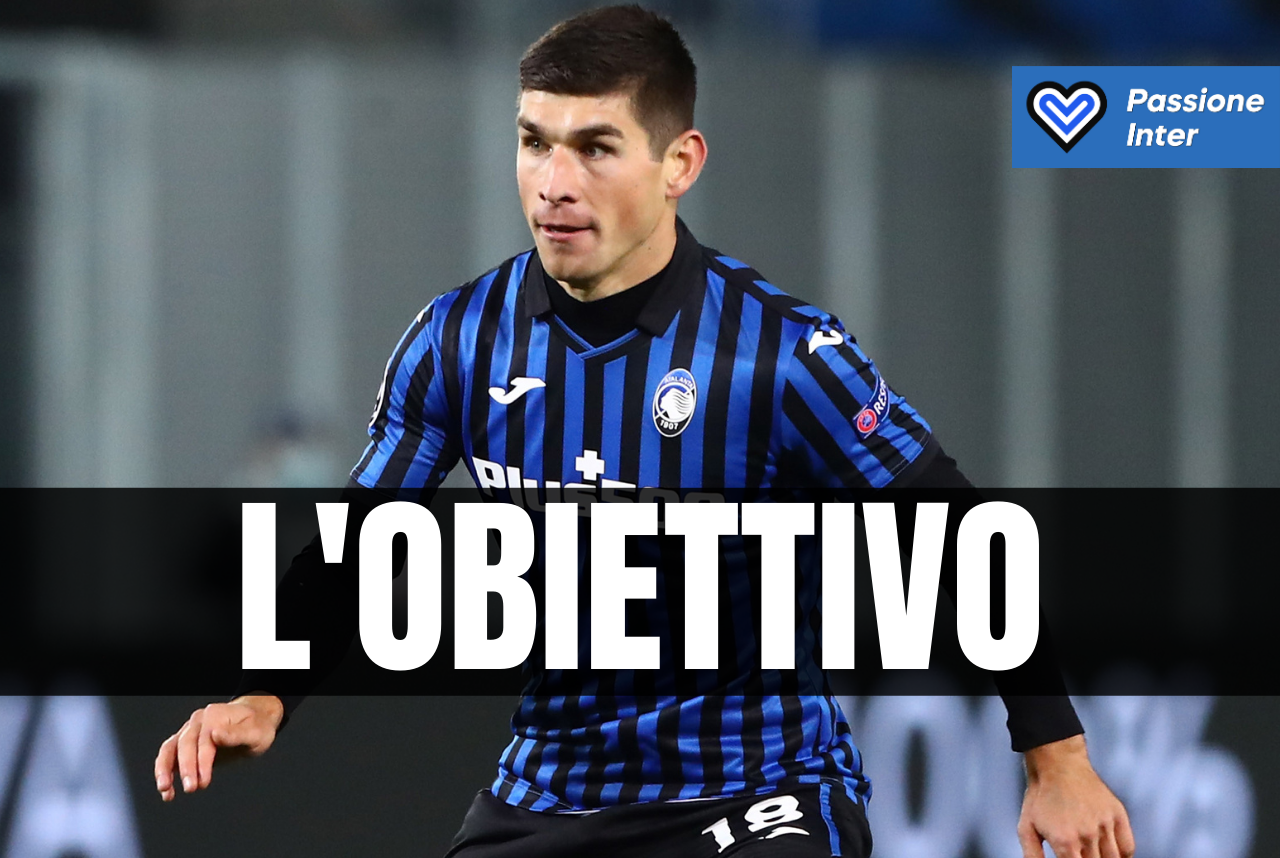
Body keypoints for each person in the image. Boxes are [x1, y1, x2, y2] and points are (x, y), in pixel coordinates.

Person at [155, 6, 1134, 858]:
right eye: (534, 142)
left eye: (595, 147)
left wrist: (1057, 759)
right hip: (549, 793)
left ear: (679, 165)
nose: (553, 182)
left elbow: (956, 537)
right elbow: (362, 542)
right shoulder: (457, 339)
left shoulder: (779, 353)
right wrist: (265, 692)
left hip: (756, 792)